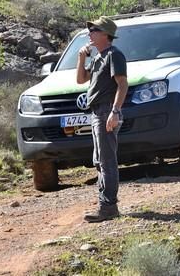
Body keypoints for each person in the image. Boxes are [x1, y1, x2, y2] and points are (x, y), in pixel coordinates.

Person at [76, 16, 128, 223]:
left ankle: (108, 207)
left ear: (105, 34)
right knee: (99, 160)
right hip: (97, 112)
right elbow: (80, 79)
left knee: (106, 161)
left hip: (106, 111)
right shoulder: (99, 57)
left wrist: (115, 112)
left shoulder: (114, 55)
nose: (90, 33)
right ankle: (105, 204)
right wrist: (81, 58)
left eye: (94, 30)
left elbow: (122, 85)